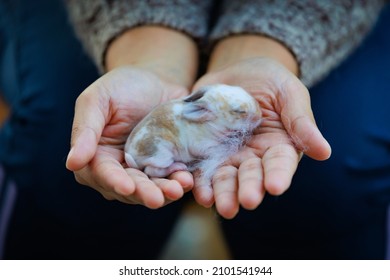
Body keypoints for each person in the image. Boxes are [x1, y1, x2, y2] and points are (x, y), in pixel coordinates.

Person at [0, 0, 389, 259]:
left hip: (319, 11)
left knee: (337, 176)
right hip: (108, 10)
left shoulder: (201, 116)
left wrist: (264, 45)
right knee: (50, 145)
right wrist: (151, 52)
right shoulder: (196, 120)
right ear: (203, 109)